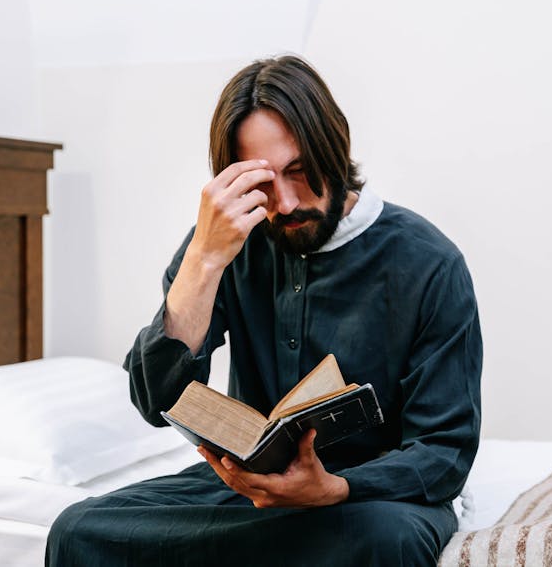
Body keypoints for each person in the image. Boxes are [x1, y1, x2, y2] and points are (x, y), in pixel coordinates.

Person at [46, 55, 482, 567]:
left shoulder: (429, 262)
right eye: (263, 181)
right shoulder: (223, 246)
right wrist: (204, 261)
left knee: (386, 542)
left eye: (301, 171)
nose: (287, 201)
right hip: (247, 494)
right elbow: (154, 400)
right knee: (78, 531)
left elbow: (443, 453)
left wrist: (333, 488)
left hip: (369, 499)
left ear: (337, 144)